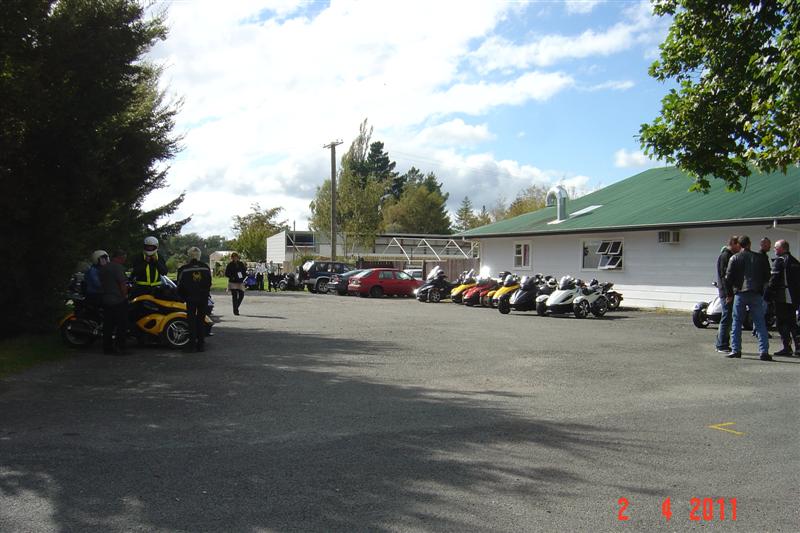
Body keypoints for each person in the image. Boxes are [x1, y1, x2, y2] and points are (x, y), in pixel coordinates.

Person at [724, 235, 771, 360]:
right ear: (749, 244)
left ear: (739, 245)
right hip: (756, 292)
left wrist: (729, 293)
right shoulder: (759, 258)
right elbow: (767, 276)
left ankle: (736, 350)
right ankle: (764, 351)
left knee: (737, 322)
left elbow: (728, 278)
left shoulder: (734, 258)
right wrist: (761, 288)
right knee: (760, 322)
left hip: (740, 292)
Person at [768, 240, 800, 356]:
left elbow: (773, 280)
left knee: (782, 323)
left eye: (776, 247)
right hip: (794, 297)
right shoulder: (795, 261)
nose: (774, 250)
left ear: (782, 248)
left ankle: (787, 347)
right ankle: (798, 347)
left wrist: (767, 296)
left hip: (782, 296)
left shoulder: (780, 261)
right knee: (792, 322)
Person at [177, 246, 212, 353]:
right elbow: (209, 283)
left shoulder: (184, 269)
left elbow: (180, 285)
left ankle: (191, 344)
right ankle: (201, 344)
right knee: (201, 320)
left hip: (190, 298)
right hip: (203, 298)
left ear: (189, 255)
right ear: (199, 255)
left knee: (191, 321)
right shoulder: (205, 268)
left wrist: (183, 296)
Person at [99, 249, 129, 355]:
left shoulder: (104, 268)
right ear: (119, 257)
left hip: (106, 299)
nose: (124, 260)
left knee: (108, 325)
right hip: (117, 300)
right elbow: (122, 283)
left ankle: (107, 347)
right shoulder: (118, 268)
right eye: (123, 258)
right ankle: (120, 347)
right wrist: (125, 296)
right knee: (122, 324)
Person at [715, 236, 740, 353]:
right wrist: (729, 293)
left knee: (727, 317)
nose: (740, 248)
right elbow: (724, 276)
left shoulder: (729, 255)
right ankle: (722, 344)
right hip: (726, 292)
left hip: (728, 291)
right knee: (727, 317)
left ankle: (721, 342)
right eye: (739, 245)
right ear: (734, 244)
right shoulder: (726, 256)